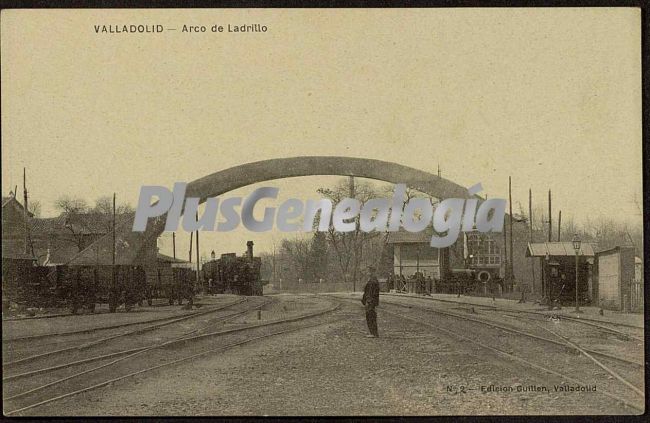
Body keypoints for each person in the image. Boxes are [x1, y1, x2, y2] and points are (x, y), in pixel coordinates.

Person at [361, 266, 380, 338]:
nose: (367, 273)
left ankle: (373, 333)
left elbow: (371, 293)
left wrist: (368, 301)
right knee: (370, 316)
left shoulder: (373, 281)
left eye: (368, 271)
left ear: (372, 272)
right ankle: (373, 332)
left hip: (370, 301)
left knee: (371, 316)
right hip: (370, 301)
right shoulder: (372, 280)